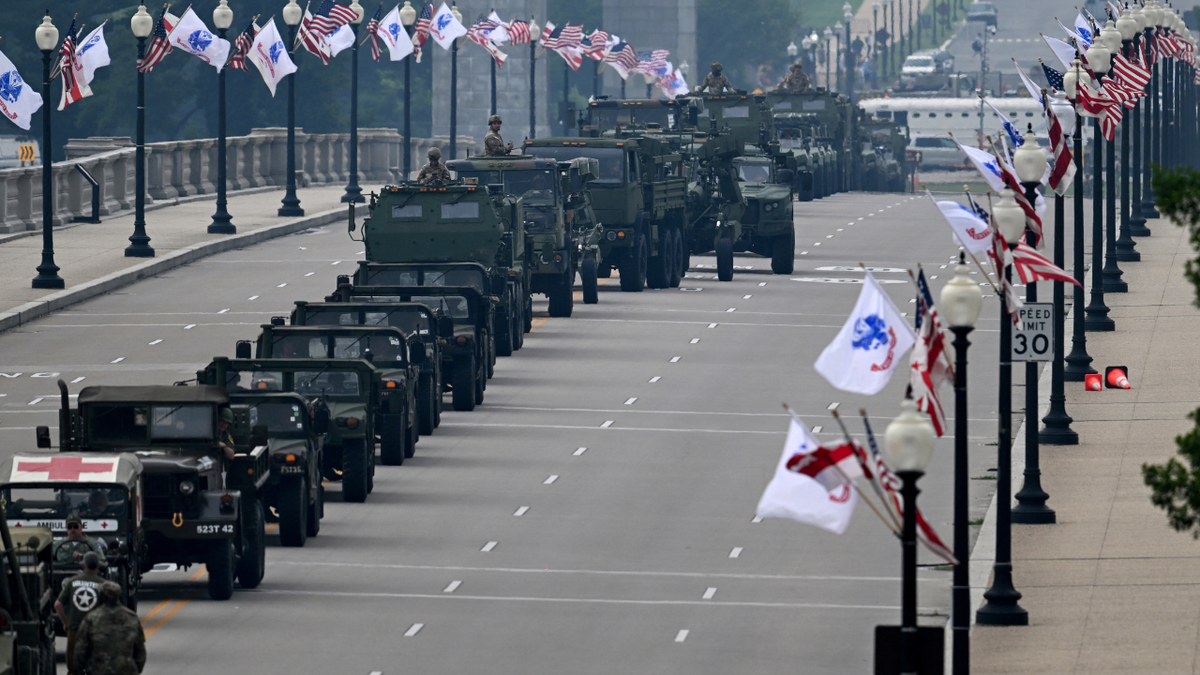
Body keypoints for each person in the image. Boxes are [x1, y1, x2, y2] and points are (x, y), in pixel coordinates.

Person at [73, 581, 146, 675]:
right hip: (125, 670)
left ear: (102, 596)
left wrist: (78, 671)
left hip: (98, 671)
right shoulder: (132, 617)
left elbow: (80, 649)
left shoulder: (92, 618)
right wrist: (135, 669)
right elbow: (140, 650)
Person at [57, 552, 106, 675]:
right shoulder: (103, 584)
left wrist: (65, 623)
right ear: (98, 566)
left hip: (74, 628)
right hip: (95, 630)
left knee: (73, 667)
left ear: (83, 566)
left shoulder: (72, 582)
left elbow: (58, 604)